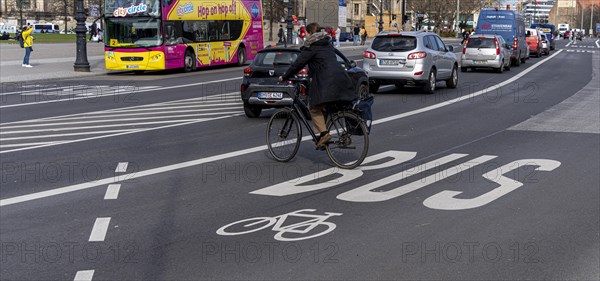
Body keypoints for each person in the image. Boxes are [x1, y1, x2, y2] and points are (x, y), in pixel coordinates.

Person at [278, 22, 357, 149]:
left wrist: (284, 76)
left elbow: (298, 64)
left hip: (326, 81)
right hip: (341, 77)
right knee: (324, 106)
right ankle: (322, 137)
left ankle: (324, 134)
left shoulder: (311, 47)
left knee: (314, 108)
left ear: (309, 34)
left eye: (306, 33)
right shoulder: (327, 44)